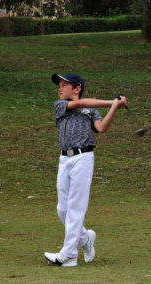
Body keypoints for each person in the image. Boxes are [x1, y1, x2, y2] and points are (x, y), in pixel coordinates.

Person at [44, 73, 127, 266]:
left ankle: (69, 255)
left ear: (77, 88)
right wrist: (111, 101)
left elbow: (101, 128)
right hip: (65, 158)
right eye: (60, 85)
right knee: (62, 209)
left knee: (75, 207)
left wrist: (114, 107)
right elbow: (80, 104)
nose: (60, 88)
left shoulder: (91, 110)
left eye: (65, 85)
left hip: (83, 157)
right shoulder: (60, 105)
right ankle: (85, 239)